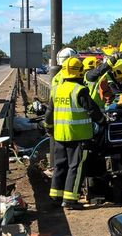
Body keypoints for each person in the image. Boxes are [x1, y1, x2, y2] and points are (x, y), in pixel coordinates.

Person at [44, 57, 106, 209]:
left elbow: (49, 113)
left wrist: (49, 128)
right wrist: (103, 121)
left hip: (59, 136)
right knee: (76, 167)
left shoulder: (57, 89)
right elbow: (93, 110)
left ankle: (56, 196)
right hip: (79, 136)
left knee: (60, 165)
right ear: (79, 72)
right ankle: (71, 199)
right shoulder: (80, 90)